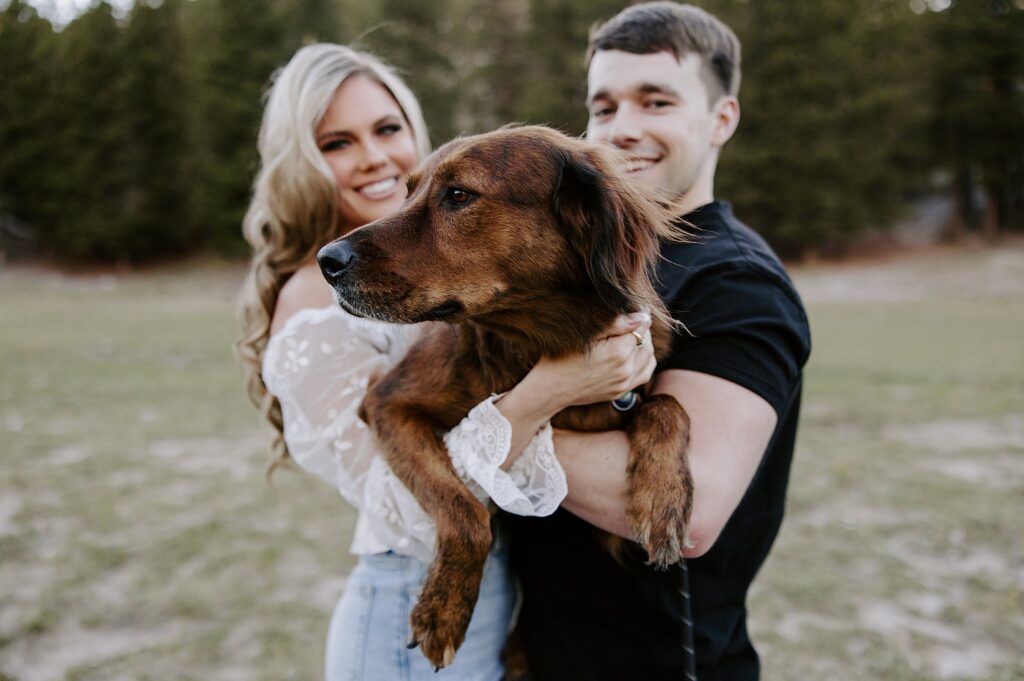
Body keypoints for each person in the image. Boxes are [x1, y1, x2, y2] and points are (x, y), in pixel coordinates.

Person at [235, 44, 658, 681]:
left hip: (496, 617)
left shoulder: (456, 279)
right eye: (337, 143)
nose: (374, 156)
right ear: (301, 163)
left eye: (387, 128)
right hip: (409, 623)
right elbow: (395, 504)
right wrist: (546, 392)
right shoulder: (313, 307)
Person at [503, 4, 813, 680]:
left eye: (656, 101)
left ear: (721, 119)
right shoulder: (597, 261)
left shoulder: (738, 281)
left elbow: (689, 509)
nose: (623, 129)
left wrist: (487, 433)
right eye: (604, 105)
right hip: (545, 653)